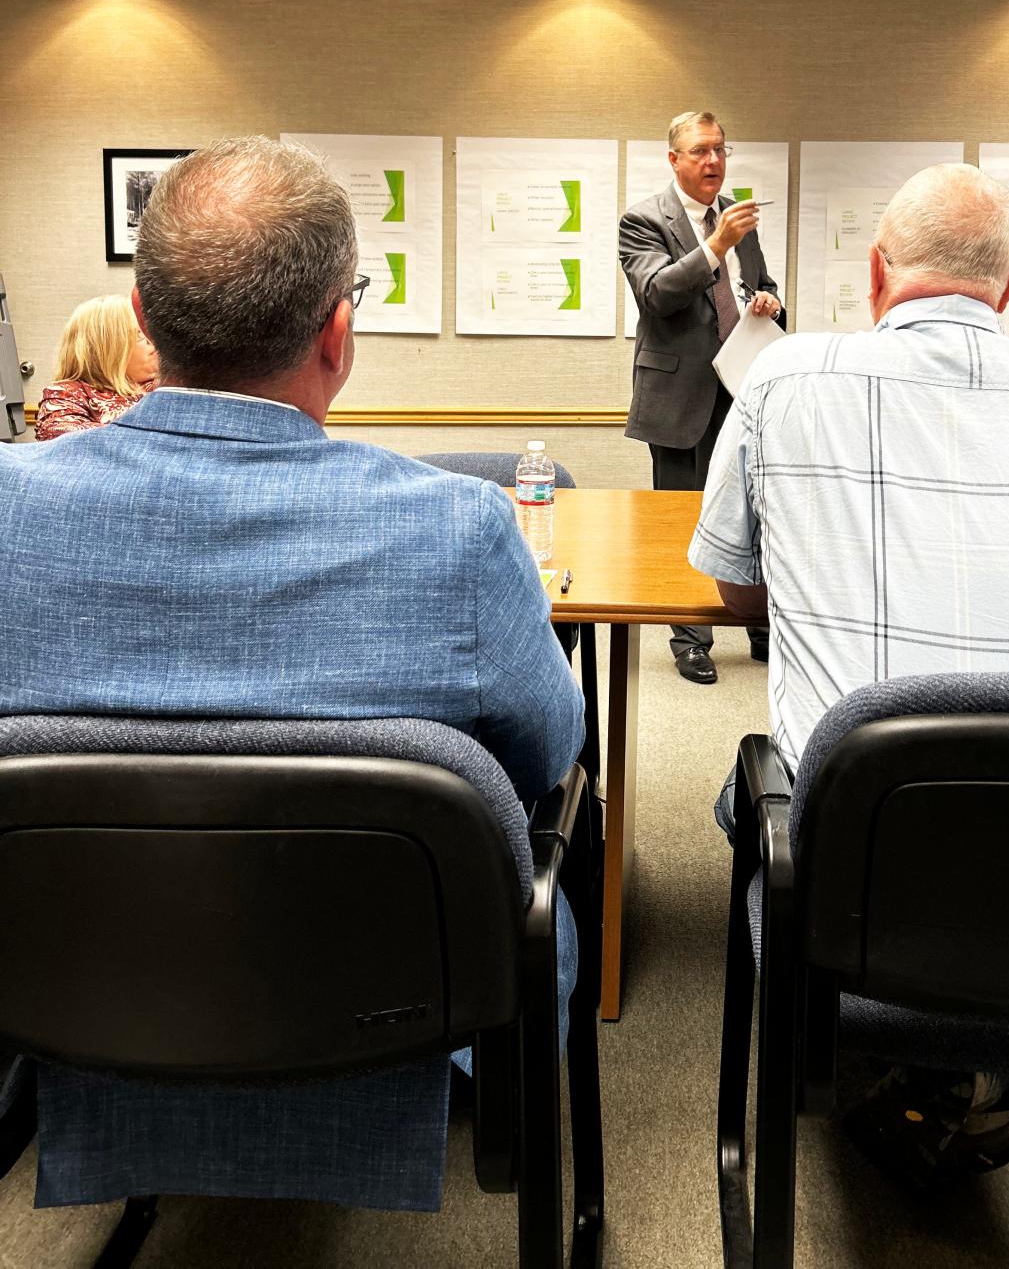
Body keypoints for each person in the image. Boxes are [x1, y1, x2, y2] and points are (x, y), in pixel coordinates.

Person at [0, 135, 584, 1213]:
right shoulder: (457, 530)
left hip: (72, 974)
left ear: (141, 321)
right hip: (382, 993)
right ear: (339, 331)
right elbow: (551, 750)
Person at [690, 162, 1009, 1188]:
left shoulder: (786, 377)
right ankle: (966, 1064)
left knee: (753, 792)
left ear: (873, 275)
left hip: (868, 883)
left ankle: (912, 1057)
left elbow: (728, 585)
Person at [620, 110, 781, 684]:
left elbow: (761, 285)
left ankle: (757, 623)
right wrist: (716, 244)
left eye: (720, 149)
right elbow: (658, 294)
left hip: (744, 387)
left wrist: (768, 301)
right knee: (681, 519)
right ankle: (690, 638)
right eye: (700, 151)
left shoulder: (738, 218)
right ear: (674, 159)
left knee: (755, 511)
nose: (713, 161)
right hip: (679, 394)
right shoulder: (644, 220)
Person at [35, 294, 158, 439]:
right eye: (139, 334)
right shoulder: (67, 395)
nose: (153, 341)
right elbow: (65, 442)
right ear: (108, 348)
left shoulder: (166, 385)